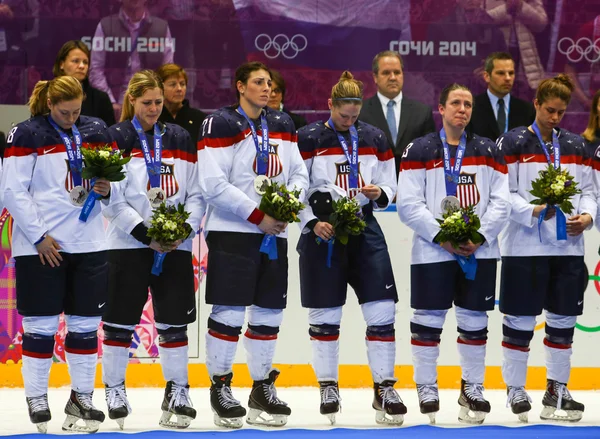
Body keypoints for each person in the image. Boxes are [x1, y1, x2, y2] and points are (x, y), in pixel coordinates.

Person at [197, 61, 309, 428]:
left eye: (270, 83)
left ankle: (261, 386)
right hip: (234, 232)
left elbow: (298, 174)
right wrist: (259, 215)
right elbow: (213, 184)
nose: (267, 88)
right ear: (240, 86)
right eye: (258, 82)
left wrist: (285, 205)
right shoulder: (220, 123)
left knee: (268, 315)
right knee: (228, 314)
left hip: (273, 233)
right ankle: (221, 386)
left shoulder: (282, 123)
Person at [0, 76, 113, 433]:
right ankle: (37, 397)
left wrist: (107, 188)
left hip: (89, 242)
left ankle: (82, 399)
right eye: (64, 112)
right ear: (49, 104)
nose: (71, 118)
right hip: (41, 247)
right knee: (41, 329)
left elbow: (113, 183)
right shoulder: (26, 133)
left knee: (83, 329)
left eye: (76, 111)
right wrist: (38, 237)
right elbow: (12, 191)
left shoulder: (96, 129)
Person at [397, 83, 510, 425]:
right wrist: (442, 237)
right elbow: (407, 205)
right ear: (441, 108)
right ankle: (427, 387)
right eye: (456, 103)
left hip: (480, 252)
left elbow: (501, 202)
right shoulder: (419, 149)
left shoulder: (489, 150)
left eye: (468, 104)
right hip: (433, 253)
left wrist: (478, 235)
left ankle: (472, 387)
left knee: (475, 324)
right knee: (428, 324)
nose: (462, 109)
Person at [297, 71, 404, 426]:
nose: (349, 120)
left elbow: (391, 182)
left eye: (355, 114)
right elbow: (296, 187)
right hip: (323, 231)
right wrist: (312, 222)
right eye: (343, 114)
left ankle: (384, 387)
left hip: (364, 227)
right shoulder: (308, 137)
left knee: (382, 311)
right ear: (330, 105)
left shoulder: (373, 136)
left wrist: (381, 193)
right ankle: (328, 386)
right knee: (325, 317)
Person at [100, 70, 204, 430]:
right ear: (132, 100)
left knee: (174, 323)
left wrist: (183, 228)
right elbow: (111, 199)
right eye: (147, 103)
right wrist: (147, 234)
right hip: (129, 244)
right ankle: (114, 389)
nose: (155, 108)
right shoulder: (115, 137)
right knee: (118, 323)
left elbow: (196, 193)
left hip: (176, 245)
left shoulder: (180, 137)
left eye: (159, 102)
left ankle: (177, 391)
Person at [498, 74, 595, 423]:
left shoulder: (576, 145)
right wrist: (532, 211)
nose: (555, 117)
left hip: (568, 247)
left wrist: (587, 216)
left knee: (563, 322)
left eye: (561, 112)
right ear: (536, 104)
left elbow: (590, 190)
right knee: (521, 321)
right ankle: (515, 388)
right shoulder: (511, 143)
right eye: (549, 110)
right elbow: (500, 195)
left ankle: (557, 388)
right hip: (523, 246)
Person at [89, 0, 174, 117]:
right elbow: (95, 70)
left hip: (151, 103)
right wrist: (110, 102)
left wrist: (155, 101)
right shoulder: (106, 25)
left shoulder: (161, 28)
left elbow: (167, 71)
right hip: (115, 104)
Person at [359, 51, 435, 174]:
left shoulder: (422, 112)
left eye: (397, 72)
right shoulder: (360, 112)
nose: (393, 77)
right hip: (373, 185)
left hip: (413, 185)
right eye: (386, 73)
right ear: (375, 77)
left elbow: (430, 155)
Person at [468, 52, 536, 142]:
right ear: (487, 76)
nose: (508, 78)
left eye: (511, 73)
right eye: (501, 73)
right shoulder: (471, 108)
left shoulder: (527, 110)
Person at [485, 0, 548, 93]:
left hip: (525, 58)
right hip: (496, 53)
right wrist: (506, 9)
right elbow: (480, 21)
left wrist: (521, 6)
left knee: (524, 101)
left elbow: (541, 25)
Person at [53, 40, 116, 126]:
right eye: (75, 61)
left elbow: (109, 134)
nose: (82, 66)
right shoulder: (46, 94)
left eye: (85, 62)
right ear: (61, 64)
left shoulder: (101, 99)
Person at [156, 63, 206, 145]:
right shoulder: (152, 119)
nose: (179, 89)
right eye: (173, 84)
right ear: (159, 88)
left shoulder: (200, 119)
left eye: (182, 84)